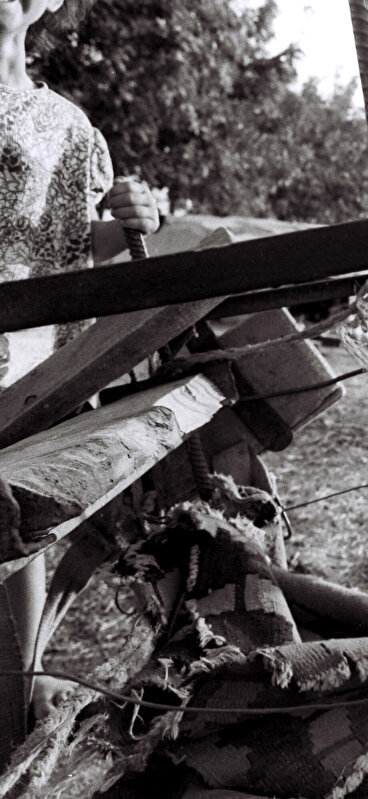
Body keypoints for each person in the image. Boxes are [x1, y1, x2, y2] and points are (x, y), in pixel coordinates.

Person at [1, 0, 160, 720]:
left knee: (14, 528)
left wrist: (132, 218)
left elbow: (69, 247)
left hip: (24, 361)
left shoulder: (67, 126)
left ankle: (21, 694)